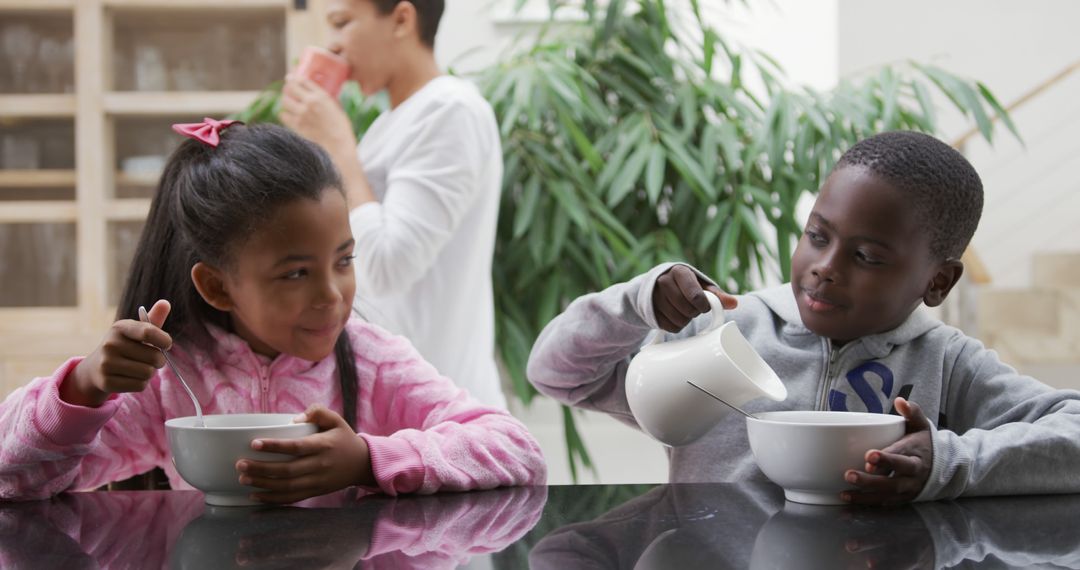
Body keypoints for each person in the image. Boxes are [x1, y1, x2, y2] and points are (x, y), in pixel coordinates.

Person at [0, 120, 544, 503]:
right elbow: (15, 480)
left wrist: (367, 460)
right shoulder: (172, 377)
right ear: (217, 286)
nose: (332, 294)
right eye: (295, 273)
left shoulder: (372, 360)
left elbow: (516, 450)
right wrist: (82, 389)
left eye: (345, 260)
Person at [527, 130, 1080, 504]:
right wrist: (636, 302)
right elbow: (556, 373)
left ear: (937, 282)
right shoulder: (720, 332)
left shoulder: (948, 364)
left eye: (866, 257)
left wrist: (947, 461)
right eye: (817, 236)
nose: (825, 268)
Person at [278, 0, 507, 408]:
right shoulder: (393, 121)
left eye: (342, 23)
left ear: (402, 19)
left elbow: (387, 267)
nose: (333, 46)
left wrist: (337, 148)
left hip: (446, 414)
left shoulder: (450, 109)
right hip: (401, 409)